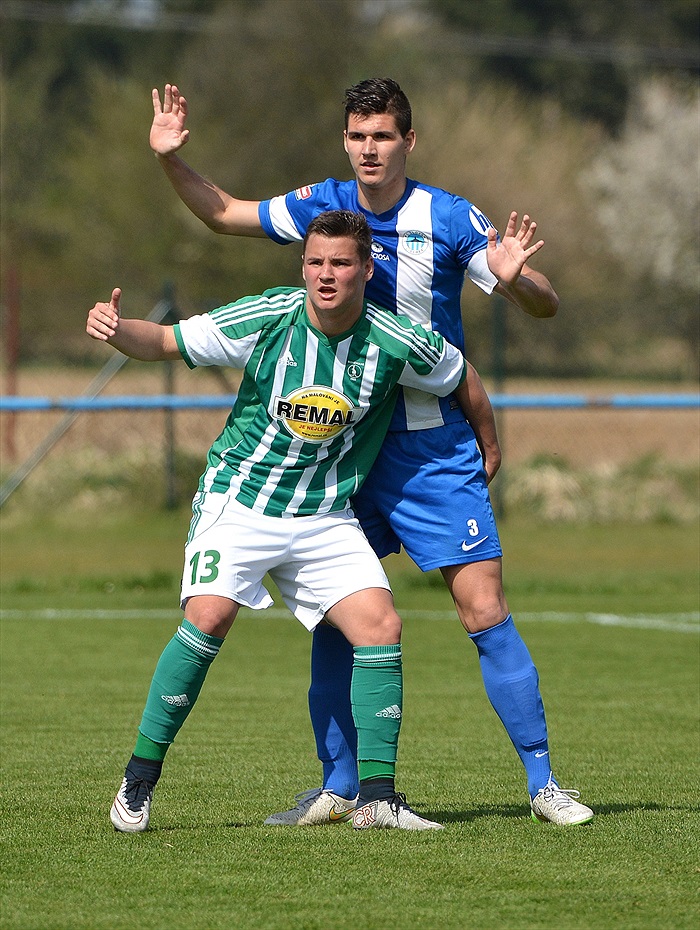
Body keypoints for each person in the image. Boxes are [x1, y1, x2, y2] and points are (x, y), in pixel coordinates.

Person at [148, 79, 594, 827]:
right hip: (344, 450)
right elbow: (224, 214)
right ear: (346, 141)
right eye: (358, 136)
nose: (369, 149)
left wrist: (519, 284)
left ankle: (544, 784)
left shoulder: (446, 217)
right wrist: (169, 158)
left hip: (431, 449)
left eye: (383, 135)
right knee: (338, 616)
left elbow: (543, 302)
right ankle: (342, 787)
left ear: (407, 141)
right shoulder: (323, 205)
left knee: (484, 606)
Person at [89, 209, 490, 833]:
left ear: (366, 270)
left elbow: (463, 377)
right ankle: (138, 780)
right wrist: (119, 331)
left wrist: (489, 447)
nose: (326, 275)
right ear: (302, 267)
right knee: (209, 617)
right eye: (315, 262)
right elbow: (166, 341)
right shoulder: (271, 316)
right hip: (240, 501)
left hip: (324, 516)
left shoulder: (395, 339)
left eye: (340, 263)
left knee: (381, 626)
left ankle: (378, 800)